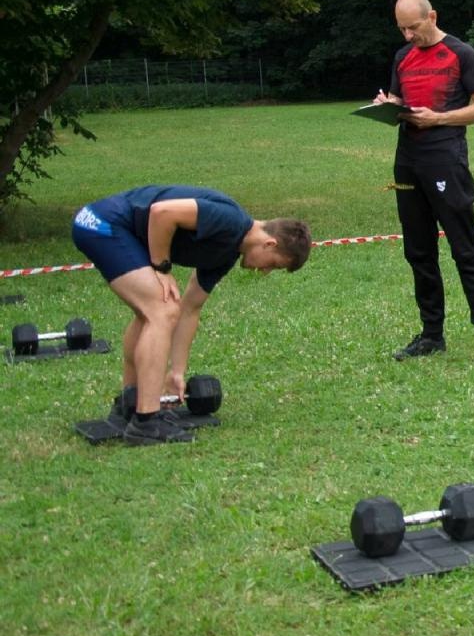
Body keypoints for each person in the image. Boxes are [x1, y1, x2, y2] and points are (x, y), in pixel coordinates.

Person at [71, 187, 309, 444]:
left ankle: (129, 404)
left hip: (105, 226)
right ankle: (146, 422)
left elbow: (191, 307)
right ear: (269, 243)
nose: (265, 271)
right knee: (160, 310)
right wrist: (161, 267)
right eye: (273, 264)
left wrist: (177, 372)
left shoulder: (227, 253)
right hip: (101, 223)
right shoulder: (230, 221)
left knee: (153, 311)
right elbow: (162, 212)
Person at [378, 0, 474, 362]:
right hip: (407, 161)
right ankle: (432, 334)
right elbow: (402, 102)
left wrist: (439, 118)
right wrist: (389, 106)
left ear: (432, 16)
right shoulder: (402, 57)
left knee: (465, 248)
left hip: (446, 158)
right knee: (418, 250)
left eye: (413, 27)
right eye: (401, 29)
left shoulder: (461, 54)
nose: (407, 36)